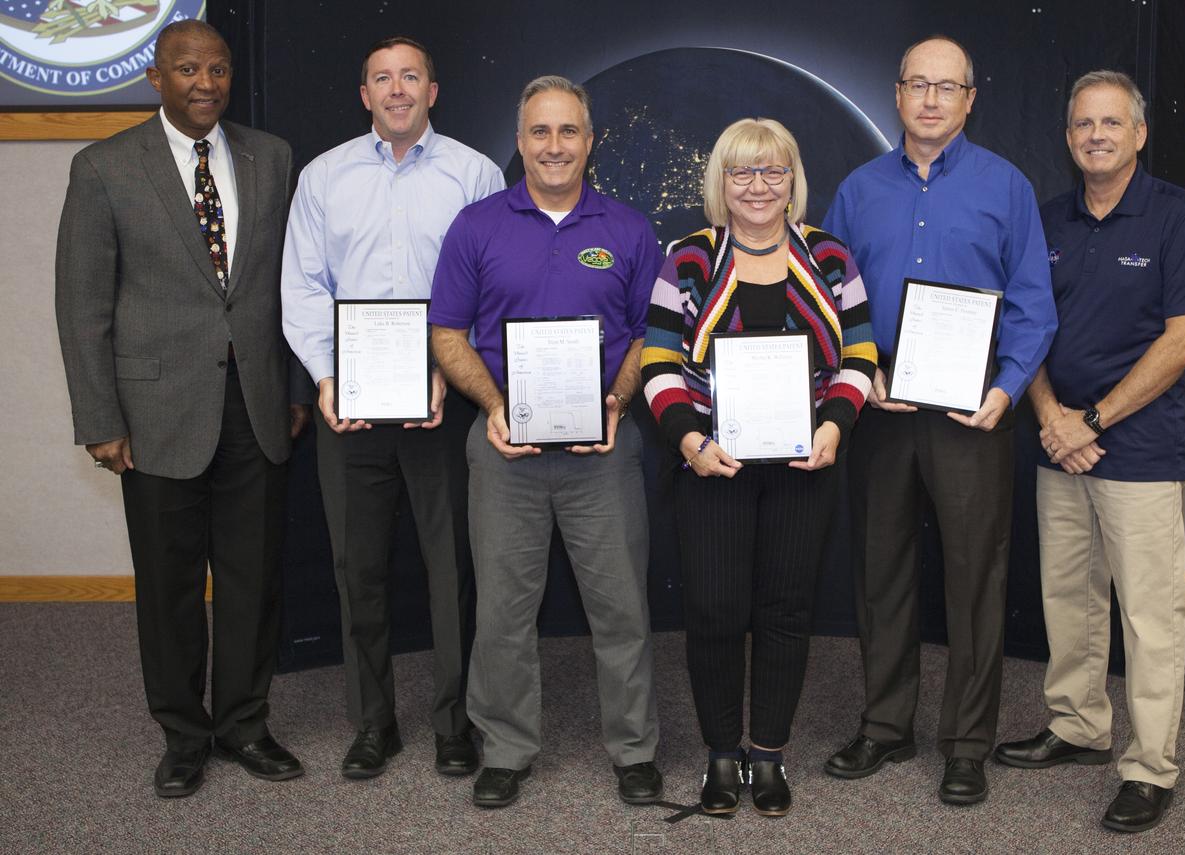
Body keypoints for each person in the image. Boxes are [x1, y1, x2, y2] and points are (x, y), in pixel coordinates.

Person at [54, 20, 306, 797]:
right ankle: (183, 733)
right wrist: (99, 418)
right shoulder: (103, 167)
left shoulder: (272, 157)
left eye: (219, 68)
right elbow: (82, 305)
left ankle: (243, 722)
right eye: (188, 68)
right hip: (154, 410)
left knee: (250, 576)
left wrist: (296, 390)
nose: (206, 82)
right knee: (167, 583)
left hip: (256, 405)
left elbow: (290, 289)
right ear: (156, 77)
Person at [821, 35, 1057, 804]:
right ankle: (887, 726)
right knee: (881, 571)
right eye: (917, 85)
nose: (930, 100)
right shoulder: (857, 190)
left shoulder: (1007, 186)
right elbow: (830, 300)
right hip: (882, 407)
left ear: (969, 98)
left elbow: (1032, 304)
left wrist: (1010, 387)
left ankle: (966, 742)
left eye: (945, 87)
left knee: (974, 579)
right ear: (897, 95)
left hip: (972, 410)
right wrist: (863, 368)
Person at [994, 70, 1185, 833]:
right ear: (1067, 138)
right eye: (1083, 124)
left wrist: (1093, 418)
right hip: (1060, 442)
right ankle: (1078, 724)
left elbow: (1184, 340)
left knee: (1150, 616)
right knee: (1070, 598)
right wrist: (1054, 416)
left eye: (1111, 123)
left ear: (1139, 132)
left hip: (1141, 450)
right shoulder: (1048, 219)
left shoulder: (1177, 216)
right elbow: (1027, 329)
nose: (1097, 135)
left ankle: (1150, 765)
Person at [430, 75, 663, 809]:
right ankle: (504, 747)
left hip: (603, 452)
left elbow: (650, 334)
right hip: (504, 450)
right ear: (521, 140)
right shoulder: (477, 225)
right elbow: (445, 331)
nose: (554, 146)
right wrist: (496, 405)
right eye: (540, 132)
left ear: (590, 142)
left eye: (569, 132)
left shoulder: (627, 228)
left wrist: (619, 402)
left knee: (621, 607)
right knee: (501, 610)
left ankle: (634, 749)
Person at [281, 35, 505, 780]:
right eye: (383, 78)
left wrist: (453, 367)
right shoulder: (324, 177)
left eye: (411, 76)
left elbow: (489, 287)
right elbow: (304, 287)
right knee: (358, 570)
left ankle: (454, 723)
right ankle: (373, 723)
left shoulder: (474, 173)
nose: (398, 89)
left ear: (432, 92)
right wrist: (325, 374)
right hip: (350, 408)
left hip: (443, 408)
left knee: (453, 571)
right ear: (364, 94)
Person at [641, 119, 876, 817]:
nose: (758, 186)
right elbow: (657, 365)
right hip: (712, 465)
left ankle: (768, 753)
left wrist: (835, 426)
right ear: (720, 181)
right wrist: (689, 442)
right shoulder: (688, 258)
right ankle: (721, 753)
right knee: (713, 611)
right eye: (742, 172)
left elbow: (861, 358)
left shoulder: (831, 255)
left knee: (785, 610)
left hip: (808, 464)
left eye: (773, 171)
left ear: (793, 180)